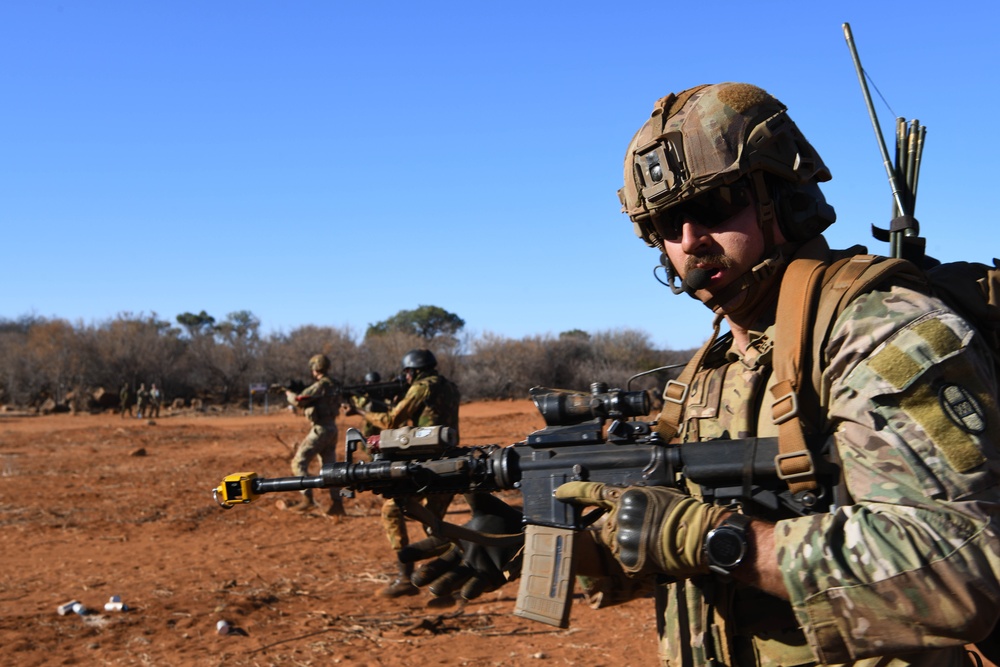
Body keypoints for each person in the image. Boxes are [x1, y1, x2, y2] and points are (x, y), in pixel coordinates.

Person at [414, 83, 1000, 666]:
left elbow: (957, 570)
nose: (691, 241)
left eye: (714, 206)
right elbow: (676, 549)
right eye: (668, 224)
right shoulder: (709, 371)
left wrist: (726, 541)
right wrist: (530, 541)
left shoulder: (880, 329)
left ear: (784, 195)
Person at [356, 349, 461, 597]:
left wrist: (361, 411)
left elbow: (392, 421)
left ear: (413, 371)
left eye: (407, 373)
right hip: (451, 460)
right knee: (434, 526)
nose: (405, 377)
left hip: (426, 463)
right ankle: (452, 577)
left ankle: (405, 577)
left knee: (393, 510)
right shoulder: (450, 386)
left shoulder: (421, 387)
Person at [276, 354, 347, 519]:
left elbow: (300, 400)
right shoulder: (335, 384)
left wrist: (287, 393)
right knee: (331, 468)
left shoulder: (320, 386)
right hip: (332, 428)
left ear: (315, 368)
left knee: (299, 462)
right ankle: (338, 504)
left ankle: (307, 498)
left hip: (320, 429)